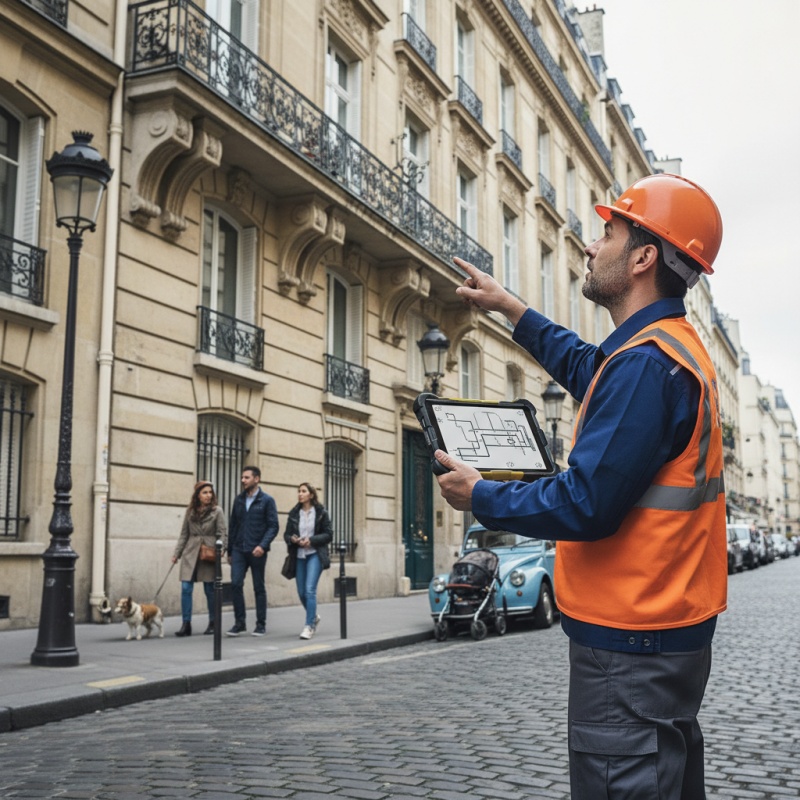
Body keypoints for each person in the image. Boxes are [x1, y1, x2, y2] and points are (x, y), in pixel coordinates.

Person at [435, 174, 727, 800]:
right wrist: (511, 308)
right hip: (661, 633)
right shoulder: (659, 351)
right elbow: (588, 367)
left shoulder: (648, 366)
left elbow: (586, 503)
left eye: (608, 232)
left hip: (631, 646)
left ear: (644, 257)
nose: (590, 248)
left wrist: (481, 494)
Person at [226, 466, 279, 637]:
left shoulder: (267, 500)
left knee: (258, 587)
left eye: (246, 477)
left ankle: (260, 624)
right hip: (239, 549)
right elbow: (233, 525)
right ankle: (240, 623)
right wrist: (230, 551)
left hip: (257, 550)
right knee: (235, 584)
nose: (243, 480)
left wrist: (262, 546)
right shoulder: (239, 500)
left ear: (256, 479)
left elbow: (273, 526)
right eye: (242, 477)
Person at [171, 480, 227, 637]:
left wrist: (221, 547)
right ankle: (186, 624)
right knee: (186, 588)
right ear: (197, 495)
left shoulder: (217, 511)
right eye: (205, 492)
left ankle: (213, 622)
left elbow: (222, 532)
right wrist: (177, 553)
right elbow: (184, 534)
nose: (208, 495)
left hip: (208, 552)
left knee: (210, 590)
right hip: (190, 552)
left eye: (210, 492)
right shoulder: (190, 512)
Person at [282, 482, 333, 639]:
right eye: (299, 491)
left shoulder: (321, 513)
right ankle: (314, 616)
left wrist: (311, 540)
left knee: (310, 589)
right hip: (299, 556)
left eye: (303, 491)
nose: (300, 494)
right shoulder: (293, 513)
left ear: (311, 495)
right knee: (301, 592)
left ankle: (309, 626)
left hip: (314, 554)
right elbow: (286, 534)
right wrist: (293, 539)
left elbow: (328, 534)